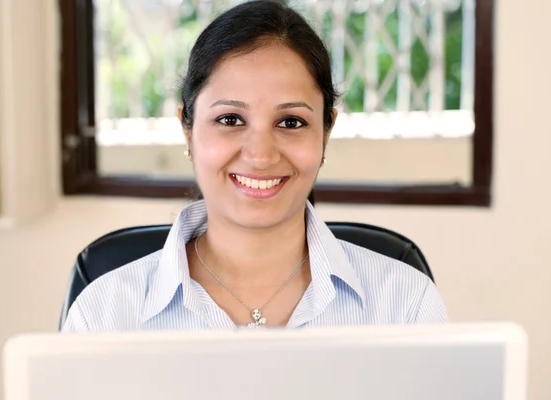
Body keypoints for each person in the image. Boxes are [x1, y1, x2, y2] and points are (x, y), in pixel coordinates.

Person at [63, 0, 447, 332]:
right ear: (187, 129)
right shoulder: (105, 313)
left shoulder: (405, 304)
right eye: (230, 119)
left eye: (291, 122)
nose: (261, 155)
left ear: (326, 132)